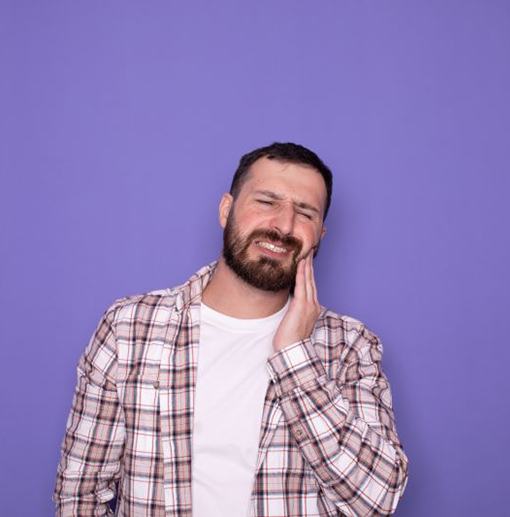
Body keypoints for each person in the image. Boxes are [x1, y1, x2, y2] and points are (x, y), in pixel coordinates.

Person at [54, 142, 409, 516]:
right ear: (227, 210)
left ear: (320, 233)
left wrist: (295, 357)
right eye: (267, 201)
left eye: (304, 212)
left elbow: (377, 499)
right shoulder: (130, 329)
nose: (283, 225)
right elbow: (80, 496)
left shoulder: (349, 345)